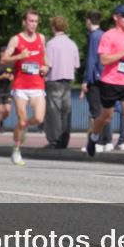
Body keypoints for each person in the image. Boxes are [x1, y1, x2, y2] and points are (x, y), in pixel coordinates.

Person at [85, 4, 124, 167]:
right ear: (115, 17)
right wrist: (123, 54)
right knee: (106, 117)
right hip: (110, 82)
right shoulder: (108, 36)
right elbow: (104, 60)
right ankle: (93, 137)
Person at [1, 9, 49, 167]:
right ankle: (16, 150)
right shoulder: (16, 39)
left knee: (39, 118)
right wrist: (19, 57)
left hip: (37, 85)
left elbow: (45, 57)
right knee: (21, 120)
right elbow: (4, 60)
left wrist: (47, 67)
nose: (33, 24)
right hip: (21, 86)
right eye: (30, 21)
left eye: (35, 21)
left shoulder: (41, 38)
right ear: (24, 22)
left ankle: (23, 127)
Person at [44, 16, 80, 149]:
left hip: (54, 80)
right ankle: (64, 140)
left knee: (53, 112)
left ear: (53, 27)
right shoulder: (72, 44)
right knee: (66, 112)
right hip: (67, 81)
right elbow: (76, 65)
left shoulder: (51, 44)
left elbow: (48, 65)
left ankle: (54, 140)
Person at [79, 11, 111, 151]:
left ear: (88, 21)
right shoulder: (105, 34)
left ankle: (96, 141)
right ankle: (107, 141)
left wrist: (85, 80)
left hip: (95, 78)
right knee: (106, 110)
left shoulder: (93, 36)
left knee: (95, 111)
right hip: (107, 77)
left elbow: (92, 59)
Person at [0, 49, 13, 133]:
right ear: (0, 54)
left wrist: (11, 77)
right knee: (0, 109)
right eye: (3, 52)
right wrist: (1, 77)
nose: (5, 54)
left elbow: (14, 76)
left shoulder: (10, 65)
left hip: (7, 90)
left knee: (7, 110)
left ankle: (0, 121)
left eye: (7, 53)